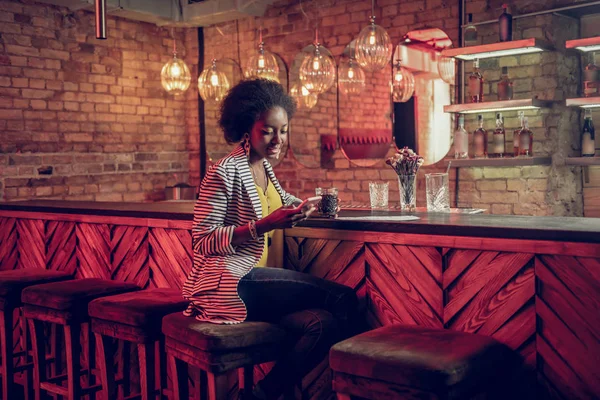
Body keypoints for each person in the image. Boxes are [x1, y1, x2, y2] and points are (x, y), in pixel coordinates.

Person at [182, 78, 358, 400]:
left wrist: (303, 208)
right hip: (234, 282)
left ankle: (259, 395)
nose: (278, 139)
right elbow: (202, 239)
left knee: (322, 324)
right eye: (268, 131)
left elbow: (280, 204)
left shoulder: (263, 168)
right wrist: (262, 226)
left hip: (261, 288)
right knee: (344, 299)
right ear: (246, 127)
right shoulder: (223, 171)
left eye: (283, 130)